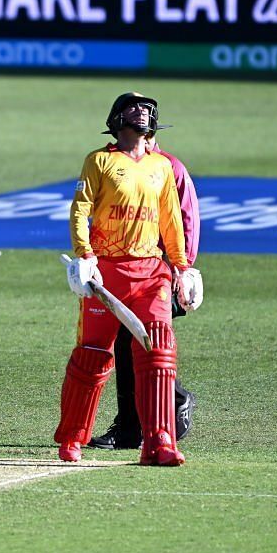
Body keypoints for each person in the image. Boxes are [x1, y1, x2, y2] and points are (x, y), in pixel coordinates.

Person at [56, 92, 202, 466]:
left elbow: (171, 220)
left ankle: (160, 441)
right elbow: (80, 210)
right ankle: (72, 437)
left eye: (148, 108)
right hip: (107, 272)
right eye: (134, 106)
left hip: (152, 271)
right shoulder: (100, 161)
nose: (142, 111)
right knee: (93, 355)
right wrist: (85, 256)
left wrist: (183, 268)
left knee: (158, 354)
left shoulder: (162, 167)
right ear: (116, 118)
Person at [88, 125, 200, 450]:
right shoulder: (120, 167)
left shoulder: (169, 168)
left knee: (134, 341)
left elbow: (186, 220)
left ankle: (132, 428)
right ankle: (162, 408)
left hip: (159, 274)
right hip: (126, 270)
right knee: (136, 342)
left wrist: (182, 269)